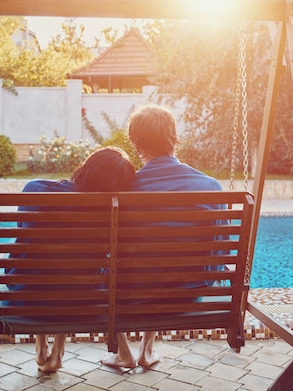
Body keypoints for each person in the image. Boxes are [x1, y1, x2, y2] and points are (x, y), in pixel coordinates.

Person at [101, 103, 223, 370]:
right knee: (169, 263)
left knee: (113, 272)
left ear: (135, 143)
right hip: (191, 294)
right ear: (173, 138)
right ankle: (147, 350)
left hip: (134, 295)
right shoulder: (211, 188)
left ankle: (125, 353)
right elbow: (219, 254)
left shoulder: (124, 191)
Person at [17, 146, 136, 373]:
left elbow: (25, 246)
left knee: (40, 261)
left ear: (87, 167)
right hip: (83, 301)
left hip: (26, 297)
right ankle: (58, 351)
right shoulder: (108, 212)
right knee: (80, 271)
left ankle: (41, 346)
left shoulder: (33, 188)